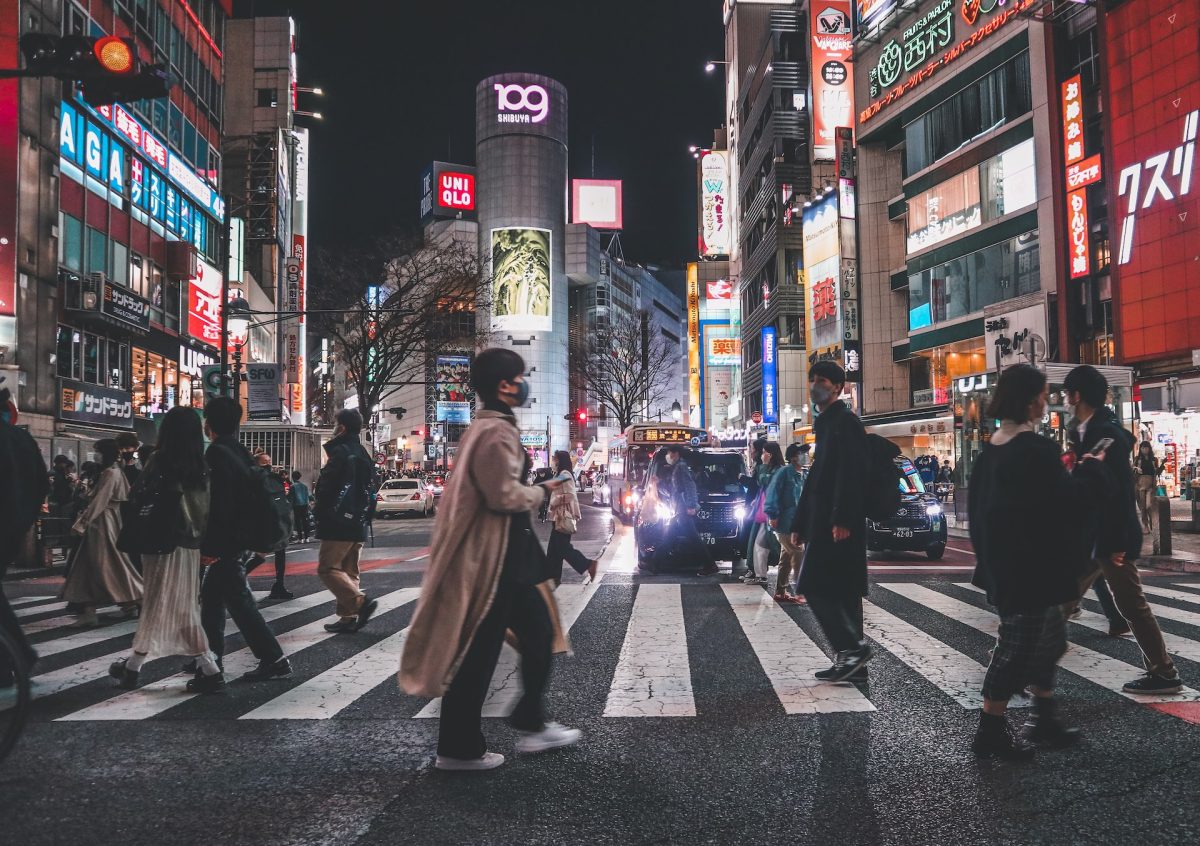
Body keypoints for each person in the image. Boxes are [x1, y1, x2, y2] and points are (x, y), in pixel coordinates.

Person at [400, 348, 579, 772]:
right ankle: (467, 745)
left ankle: (518, 723)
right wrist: (546, 488)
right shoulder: (495, 432)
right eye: (519, 376)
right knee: (492, 647)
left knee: (524, 637)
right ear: (504, 385)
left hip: (506, 556)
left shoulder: (488, 428)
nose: (524, 383)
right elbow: (503, 496)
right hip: (496, 560)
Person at [968, 364, 1108, 759]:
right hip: (1031, 569)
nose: (1046, 403)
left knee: (1049, 639)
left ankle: (1043, 716)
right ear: (1032, 400)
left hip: (1007, 566)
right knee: (1018, 647)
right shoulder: (1035, 449)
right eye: (1045, 396)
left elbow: (980, 515)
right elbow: (1069, 503)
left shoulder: (992, 449)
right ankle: (990, 730)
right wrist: (1093, 471)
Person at [1062, 365, 1183, 694]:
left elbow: (1115, 493)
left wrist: (1116, 541)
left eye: (1067, 394)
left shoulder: (1107, 435)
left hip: (1108, 537)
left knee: (1131, 604)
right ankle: (1023, 660)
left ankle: (1165, 672)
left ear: (1077, 395)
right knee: (1060, 597)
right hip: (1091, 537)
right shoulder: (1085, 430)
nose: (1065, 400)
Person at [108, 407, 223, 691]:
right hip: (190, 545)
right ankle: (135, 665)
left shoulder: (160, 461)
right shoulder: (201, 466)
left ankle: (208, 667)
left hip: (161, 541)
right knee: (181, 604)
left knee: (159, 602)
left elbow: (137, 497)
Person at [197, 397, 291, 689]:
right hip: (241, 537)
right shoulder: (239, 452)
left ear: (207, 424)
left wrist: (209, 547)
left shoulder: (217, 454)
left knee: (238, 602)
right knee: (215, 601)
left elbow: (220, 505)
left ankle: (269, 659)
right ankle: (211, 664)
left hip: (227, 540)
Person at [789, 361, 870, 682]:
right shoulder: (826, 424)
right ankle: (851, 664)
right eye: (812, 380)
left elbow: (853, 473)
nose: (815, 385)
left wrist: (844, 517)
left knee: (813, 585)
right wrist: (799, 522)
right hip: (827, 521)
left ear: (838, 387)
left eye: (822, 380)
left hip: (837, 524)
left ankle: (852, 648)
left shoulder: (845, 422)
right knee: (843, 591)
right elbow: (816, 480)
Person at [59, 438, 143, 626]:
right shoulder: (111, 472)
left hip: (102, 524)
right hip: (103, 523)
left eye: (98, 451)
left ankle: (138, 598)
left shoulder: (110, 473)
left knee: (108, 565)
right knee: (97, 565)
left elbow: (100, 501)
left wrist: (82, 523)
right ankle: (95, 610)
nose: (96, 454)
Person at [314, 409, 378, 633]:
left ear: (341, 428)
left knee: (328, 568)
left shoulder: (340, 452)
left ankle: (359, 603)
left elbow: (327, 487)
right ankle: (347, 617)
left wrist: (320, 512)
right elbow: (373, 486)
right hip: (359, 520)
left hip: (338, 521)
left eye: (335, 424)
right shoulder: (362, 452)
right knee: (349, 570)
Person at [0, 384, 49, 672]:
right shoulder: (21, 439)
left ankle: (16, 654)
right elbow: (41, 484)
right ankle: (14, 658)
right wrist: (22, 520)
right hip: (12, 530)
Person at [244, 454, 294, 601]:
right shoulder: (267, 479)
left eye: (269, 461)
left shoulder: (261, 478)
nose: (269, 464)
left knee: (263, 554)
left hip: (273, 520)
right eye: (265, 462)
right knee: (261, 554)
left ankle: (279, 585)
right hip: (270, 520)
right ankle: (235, 579)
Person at [546, 450, 599, 584]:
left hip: (563, 517)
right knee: (554, 550)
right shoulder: (561, 475)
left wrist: (553, 502)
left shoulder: (565, 475)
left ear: (560, 460)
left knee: (562, 549)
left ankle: (588, 565)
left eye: (555, 458)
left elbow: (570, 496)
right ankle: (552, 578)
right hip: (558, 518)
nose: (553, 461)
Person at [764, 443, 806, 604]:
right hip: (783, 522)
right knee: (797, 552)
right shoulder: (784, 473)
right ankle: (800, 591)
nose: (805, 456)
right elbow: (773, 493)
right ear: (794, 456)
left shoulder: (802, 474)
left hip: (796, 522)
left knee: (787, 556)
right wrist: (772, 514)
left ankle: (780, 591)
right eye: (803, 453)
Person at [745, 442, 784, 587]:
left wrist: (764, 465)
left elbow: (764, 480)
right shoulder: (773, 469)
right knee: (761, 544)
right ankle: (759, 574)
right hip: (764, 511)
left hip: (771, 512)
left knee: (763, 545)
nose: (762, 455)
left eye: (764, 452)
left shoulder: (778, 470)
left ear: (771, 454)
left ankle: (761, 575)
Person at [1133, 441, 1163, 533]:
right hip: (1140, 486)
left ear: (1149, 449)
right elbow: (1132, 469)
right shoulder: (1138, 459)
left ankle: (1152, 523)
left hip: (1151, 486)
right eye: (1142, 448)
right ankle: (1145, 525)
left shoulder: (1153, 459)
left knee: (1149, 506)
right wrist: (1136, 468)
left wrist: (1162, 466)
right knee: (1143, 507)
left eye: (1146, 447)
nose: (1144, 449)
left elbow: (1157, 472)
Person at [290, 470, 312, 542]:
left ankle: (300, 538)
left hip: (296, 505)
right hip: (304, 505)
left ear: (293, 477)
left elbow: (291, 497)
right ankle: (307, 537)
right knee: (305, 521)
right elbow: (308, 496)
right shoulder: (304, 486)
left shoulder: (292, 486)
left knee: (298, 522)